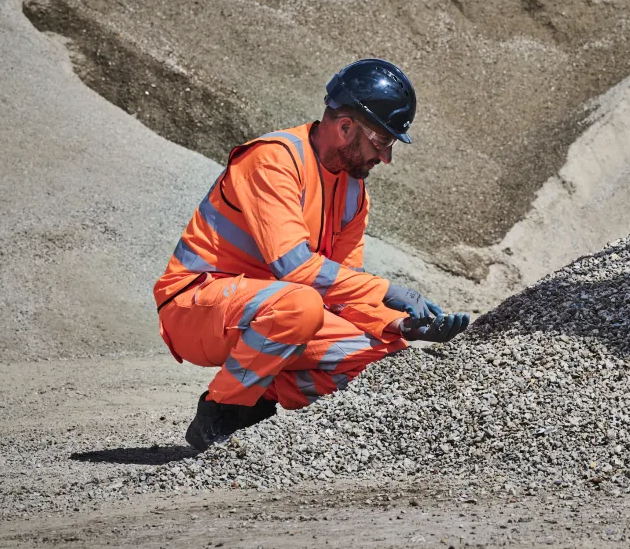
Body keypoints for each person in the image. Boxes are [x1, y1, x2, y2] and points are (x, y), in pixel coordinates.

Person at [153, 58, 470, 451]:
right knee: (299, 304)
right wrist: (386, 289)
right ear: (345, 127)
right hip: (194, 307)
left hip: (273, 312)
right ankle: (222, 412)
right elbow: (295, 268)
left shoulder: (354, 193)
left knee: (385, 354)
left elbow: (341, 290)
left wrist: (397, 325)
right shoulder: (273, 160)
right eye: (383, 142)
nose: (385, 158)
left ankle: (262, 394)